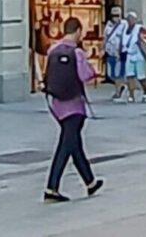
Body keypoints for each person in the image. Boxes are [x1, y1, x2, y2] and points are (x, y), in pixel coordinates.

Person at [41, 17, 101, 202]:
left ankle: (90, 182)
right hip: (74, 105)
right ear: (77, 31)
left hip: (57, 105)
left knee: (74, 143)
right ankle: (51, 188)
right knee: (66, 146)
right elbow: (86, 75)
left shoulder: (52, 49)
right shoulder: (77, 52)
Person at [117, 10, 146, 102]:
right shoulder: (125, 29)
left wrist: (141, 41)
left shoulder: (139, 28)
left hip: (138, 55)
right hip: (129, 55)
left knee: (140, 76)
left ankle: (145, 91)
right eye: (128, 19)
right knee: (129, 75)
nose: (130, 21)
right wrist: (120, 52)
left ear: (135, 19)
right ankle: (131, 95)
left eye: (131, 19)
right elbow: (122, 42)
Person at [102, 10, 130, 102]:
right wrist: (103, 49)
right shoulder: (108, 26)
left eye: (117, 15)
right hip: (111, 52)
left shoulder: (124, 24)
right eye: (114, 15)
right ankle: (120, 87)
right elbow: (105, 38)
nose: (116, 17)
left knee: (119, 73)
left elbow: (126, 37)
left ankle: (119, 91)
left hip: (121, 52)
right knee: (111, 74)